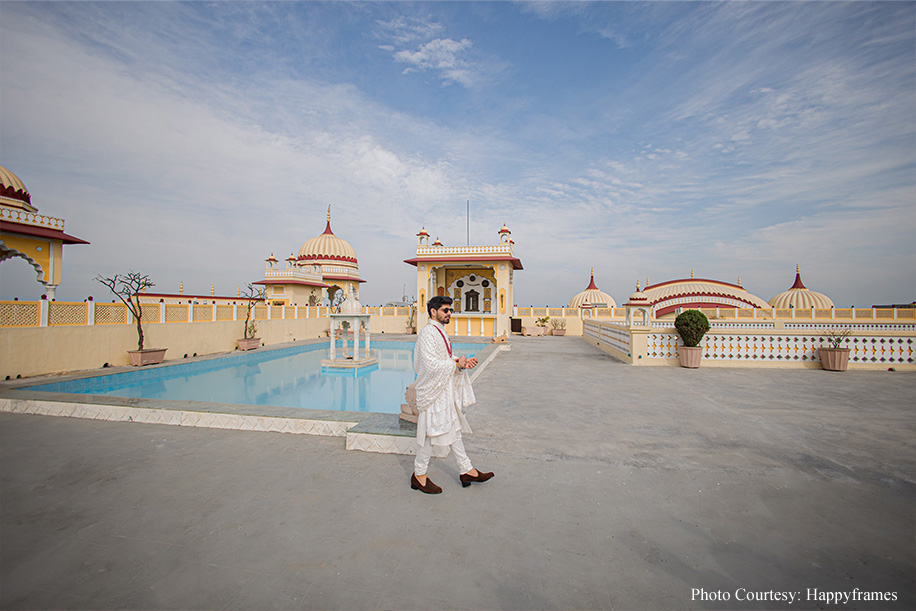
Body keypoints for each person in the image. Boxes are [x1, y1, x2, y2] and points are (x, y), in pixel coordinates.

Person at [410, 295, 494, 494]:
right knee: (430, 434)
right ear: (434, 311)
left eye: (450, 310)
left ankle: (467, 470)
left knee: (454, 429)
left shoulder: (439, 332)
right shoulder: (428, 333)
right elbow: (429, 365)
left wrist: (460, 362)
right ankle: (419, 475)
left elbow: (445, 358)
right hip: (433, 392)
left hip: (443, 390)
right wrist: (455, 363)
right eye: (445, 310)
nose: (449, 314)